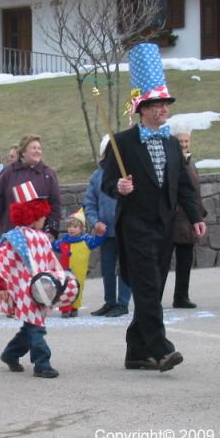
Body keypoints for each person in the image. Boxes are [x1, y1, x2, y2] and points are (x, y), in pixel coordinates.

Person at [101, 43, 206, 372]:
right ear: (142, 108)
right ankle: (161, 349)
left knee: (153, 288)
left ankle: (136, 351)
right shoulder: (122, 143)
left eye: (166, 104)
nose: (164, 110)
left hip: (165, 227)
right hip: (135, 226)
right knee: (147, 288)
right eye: (158, 104)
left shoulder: (173, 143)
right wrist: (119, 186)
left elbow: (184, 186)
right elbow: (106, 182)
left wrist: (195, 217)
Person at [0, 181, 79, 378]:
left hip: (42, 289)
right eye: (41, 215)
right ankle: (42, 363)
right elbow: (0, 261)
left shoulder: (42, 238)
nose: (45, 218)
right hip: (25, 291)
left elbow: (51, 262)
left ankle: (10, 354)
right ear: (31, 214)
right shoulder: (15, 238)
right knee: (37, 327)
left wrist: (61, 283)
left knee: (30, 326)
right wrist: (0, 284)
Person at [84, 135, 133, 318]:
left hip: (125, 229)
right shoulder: (97, 176)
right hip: (105, 232)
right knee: (107, 268)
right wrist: (95, 222)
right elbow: (89, 202)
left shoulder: (128, 174)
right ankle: (110, 301)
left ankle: (123, 303)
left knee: (125, 267)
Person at [0, 135, 62, 243]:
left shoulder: (48, 174)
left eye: (39, 148)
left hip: (39, 237)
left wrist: (52, 230)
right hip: (11, 234)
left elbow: (55, 205)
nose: (37, 151)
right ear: (23, 152)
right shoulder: (8, 173)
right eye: (33, 148)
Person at [169, 129, 207, 309]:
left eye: (186, 141)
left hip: (188, 220)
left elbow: (195, 192)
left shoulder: (191, 164)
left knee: (185, 261)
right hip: (172, 219)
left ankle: (181, 296)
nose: (184, 145)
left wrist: (199, 214)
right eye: (180, 141)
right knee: (162, 262)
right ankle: (156, 296)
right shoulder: (171, 163)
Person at [52, 208, 105, 318]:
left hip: (79, 272)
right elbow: (53, 246)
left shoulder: (86, 241)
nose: (71, 229)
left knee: (78, 288)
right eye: (69, 226)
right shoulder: (63, 241)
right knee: (64, 288)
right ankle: (65, 309)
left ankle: (75, 307)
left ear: (82, 229)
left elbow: (96, 241)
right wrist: (48, 240)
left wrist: (101, 234)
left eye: (75, 227)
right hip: (65, 272)